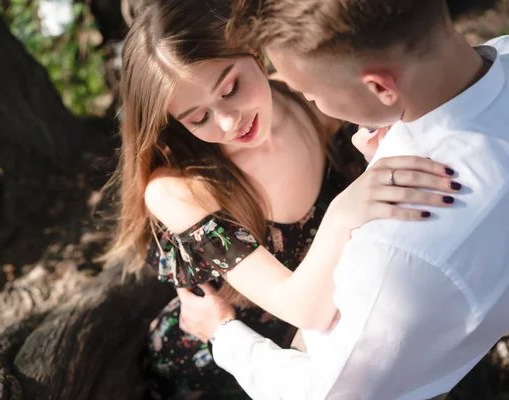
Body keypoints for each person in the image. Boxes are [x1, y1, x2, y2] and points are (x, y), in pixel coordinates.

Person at [107, 0, 460, 398]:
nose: (228, 121)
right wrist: (344, 212)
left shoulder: (311, 100)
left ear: (255, 50)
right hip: (222, 358)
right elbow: (304, 308)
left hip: (331, 350)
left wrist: (375, 153)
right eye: (197, 118)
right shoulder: (178, 189)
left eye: (231, 88)